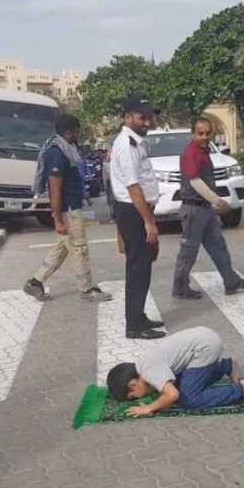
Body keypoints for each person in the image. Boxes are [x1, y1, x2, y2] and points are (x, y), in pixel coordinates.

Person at [23, 114, 112, 303]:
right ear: (69, 132)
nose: (78, 135)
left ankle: (35, 282)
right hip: (68, 209)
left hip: (72, 206)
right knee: (79, 248)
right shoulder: (58, 152)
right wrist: (57, 219)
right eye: (77, 131)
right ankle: (86, 289)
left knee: (62, 247)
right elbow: (54, 188)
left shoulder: (66, 148)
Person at [171, 117, 244, 299]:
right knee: (189, 252)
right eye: (200, 133)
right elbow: (195, 182)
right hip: (193, 209)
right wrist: (218, 201)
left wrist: (212, 203)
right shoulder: (190, 153)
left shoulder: (204, 150)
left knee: (218, 246)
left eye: (207, 133)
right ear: (193, 134)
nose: (204, 136)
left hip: (205, 208)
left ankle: (231, 281)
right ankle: (180, 288)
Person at [111, 94, 166, 339]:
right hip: (134, 213)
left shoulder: (136, 142)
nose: (147, 122)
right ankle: (134, 325)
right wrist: (148, 221)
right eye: (142, 118)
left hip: (134, 212)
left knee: (142, 266)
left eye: (150, 118)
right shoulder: (127, 145)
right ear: (127, 117)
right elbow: (132, 188)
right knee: (138, 269)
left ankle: (139, 315)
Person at [105, 327, 244, 415]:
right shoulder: (143, 364)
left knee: (188, 399)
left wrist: (148, 408)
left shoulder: (148, 372)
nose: (137, 398)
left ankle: (240, 390)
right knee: (180, 385)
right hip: (204, 337)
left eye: (133, 397)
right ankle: (227, 366)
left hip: (204, 348)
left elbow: (172, 395)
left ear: (133, 384)